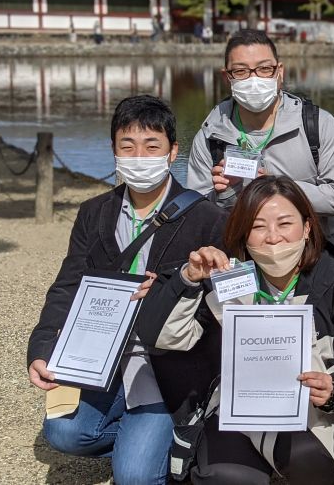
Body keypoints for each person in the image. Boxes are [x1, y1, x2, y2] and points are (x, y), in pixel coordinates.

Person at [26, 95, 228, 485]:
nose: (139, 156)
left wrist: (170, 293)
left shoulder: (207, 218)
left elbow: (217, 311)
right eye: (127, 146)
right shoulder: (94, 212)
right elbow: (68, 284)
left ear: (172, 153)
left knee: (134, 477)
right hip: (107, 358)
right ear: (113, 151)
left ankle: (168, 436)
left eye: (152, 146)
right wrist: (42, 348)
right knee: (63, 433)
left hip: (168, 365)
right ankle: (150, 442)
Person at [136, 175, 334, 485]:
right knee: (224, 475)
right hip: (238, 409)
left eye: (284, 223)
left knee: (310, 459)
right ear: (244, 234)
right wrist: (188, 278)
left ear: (307, 227)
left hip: (312, 413)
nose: (273, 237)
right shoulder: (225, 277)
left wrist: (333, 389)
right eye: (259, 226)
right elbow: (164, 337)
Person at [185, 28, 334, 245]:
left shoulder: (317, 124)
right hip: (242, 256)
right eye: (241, 71)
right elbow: (197, 214)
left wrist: (277, 187)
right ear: (227, 77)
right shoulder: (210, 135)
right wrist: (226, 193)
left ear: (279, 71)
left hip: (313, 253)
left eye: (264, 69)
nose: (254, 79)